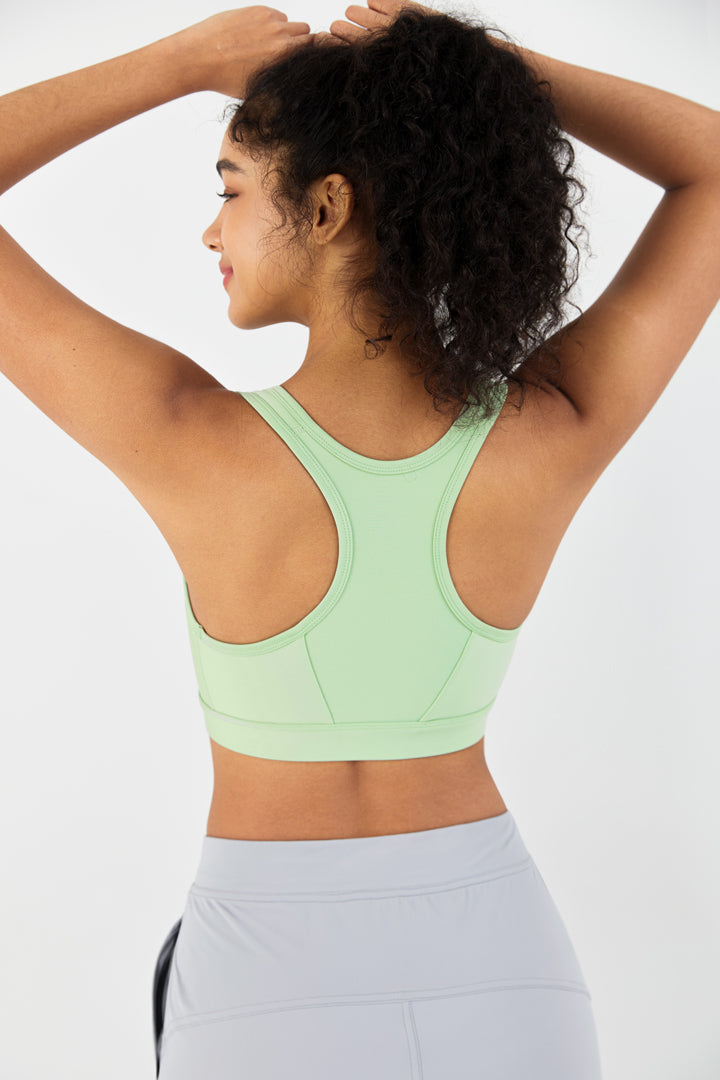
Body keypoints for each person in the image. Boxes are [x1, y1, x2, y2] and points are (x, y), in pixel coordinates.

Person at [1, 2, 718, 1077]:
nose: (211, 232)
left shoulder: (189, 441)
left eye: (230, 190)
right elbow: (712, 169)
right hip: (503, 959)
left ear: (328, 206)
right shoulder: (552, 431)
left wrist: (178, 63)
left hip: (265, 976)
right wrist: (479, 72)